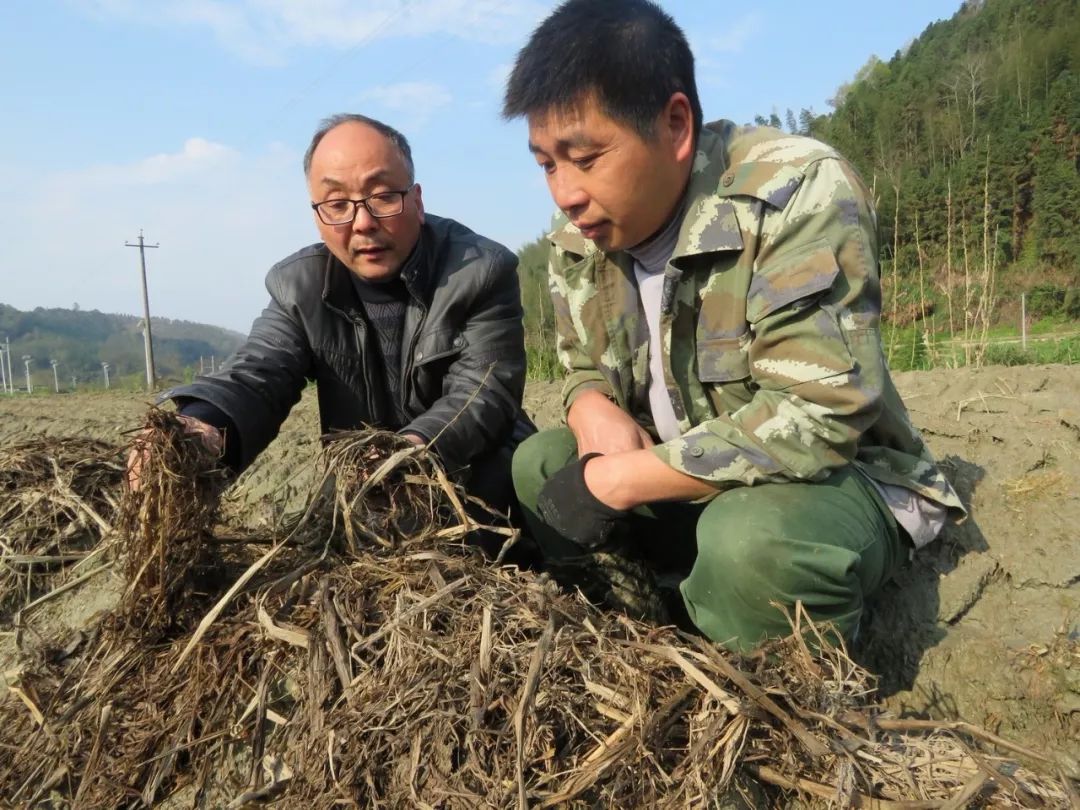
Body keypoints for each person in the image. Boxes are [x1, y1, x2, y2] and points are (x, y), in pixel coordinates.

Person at [504, 0, 965, 652]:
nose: (565, 192)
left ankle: (794, 704)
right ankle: (640, 639)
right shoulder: (577, 240)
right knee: (542, 463)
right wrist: (589, 404)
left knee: (749, 544)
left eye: (585, 156)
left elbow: (817, 418)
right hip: (684, 482)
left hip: (829, 485)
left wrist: (616, 480)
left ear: (675, 124)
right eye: (547, 163)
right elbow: (581, 361)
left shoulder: (791, 190)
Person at [129, 114, 533, 514]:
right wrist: (199, 430)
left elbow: (482, 395)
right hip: (363, 489)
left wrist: (405, 452)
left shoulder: (479, 269)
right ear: (318, 215)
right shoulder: (299, 288)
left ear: (417, 200)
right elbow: (257, 374)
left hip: (476, 484)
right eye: (337, 204)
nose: (363, 222)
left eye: (383, 197)